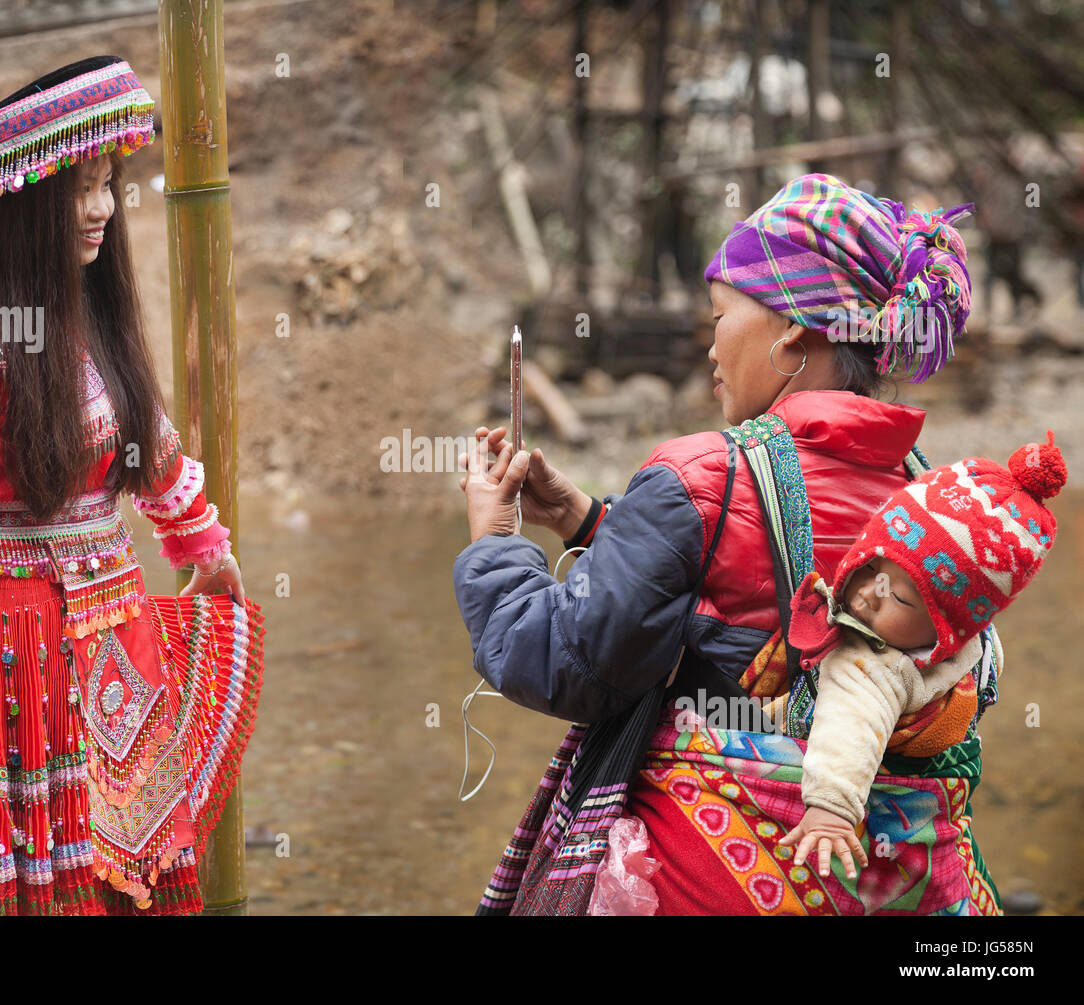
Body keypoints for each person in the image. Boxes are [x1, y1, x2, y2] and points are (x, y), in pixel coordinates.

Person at [456, 173, 1004, 915]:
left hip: (721, 881)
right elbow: (740, 577)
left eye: (719, 316)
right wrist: (591, 522)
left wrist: (494, 542)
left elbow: (568, 663)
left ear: (788, 329)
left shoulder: (700, 473)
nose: (709, 344)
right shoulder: (924, 493)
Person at [0, 56, 265, 916]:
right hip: (13, 651)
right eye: (79, 189)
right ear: (27, 201)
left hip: (118, 630)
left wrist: (204, 552)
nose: (104, 208)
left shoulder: (90, 312)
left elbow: (155, 451)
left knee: (134, 879)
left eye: (109, 183)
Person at [775, 433, 1066, 880]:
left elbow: (849, 729)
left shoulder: (869, 662)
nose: (871, 594)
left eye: (903, 600)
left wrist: (831, 811)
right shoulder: (981, 646)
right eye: (871, 566)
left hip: (862, 798)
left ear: (946, 627)